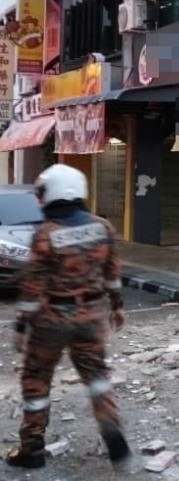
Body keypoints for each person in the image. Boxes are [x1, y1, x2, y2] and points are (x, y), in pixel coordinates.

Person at [7, 164, 131, 469]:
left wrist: (21, 326)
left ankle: (31, 449)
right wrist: (117, 306)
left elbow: (33, 286)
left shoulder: (46, 234)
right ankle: (110, 424)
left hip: (51, 319)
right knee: (97, 376)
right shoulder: (103, 228)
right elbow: (113, 272)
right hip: (91, 316)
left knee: (36, 380)